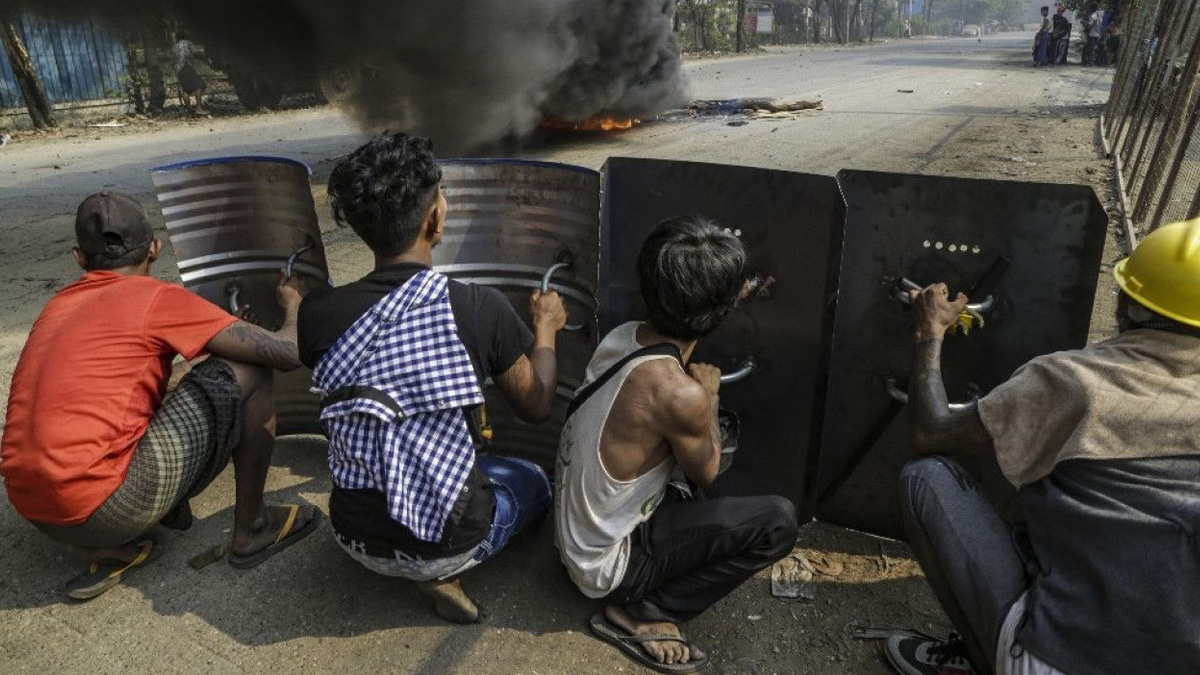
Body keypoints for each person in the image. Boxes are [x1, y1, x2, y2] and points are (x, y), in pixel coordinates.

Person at [882, 218, 1200, 675]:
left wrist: (928, 335)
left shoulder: (1076, 381)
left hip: (1056, 661)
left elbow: (930, 431)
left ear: (1126, 303)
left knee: (925, 478)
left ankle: (978, 661)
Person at [297, 132, 567, 624]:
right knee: (530, 478)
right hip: (448, 546)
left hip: (353, 536)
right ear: (435, 219)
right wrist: (545, 328)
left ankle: (425, 562)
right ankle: (442, 574)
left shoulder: (316, 313)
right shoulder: (476, 307)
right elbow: (537, 406)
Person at [1, 192, 320, 601]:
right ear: (154, 248)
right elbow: (287, 353)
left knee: (180, 385)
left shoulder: (57, 307)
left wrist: (214, 345)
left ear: (79, 258)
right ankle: (253, 527)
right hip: (105, 506)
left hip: (37, 511)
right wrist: (293, 303)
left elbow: (139, 383)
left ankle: (109, 547)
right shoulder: (157, 298)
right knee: (251, 371)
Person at [555, 216, 800, 674]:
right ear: (720, 312)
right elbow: (706, 470)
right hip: (606, 568)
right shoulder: (678, 393)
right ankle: (646, 612)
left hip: (578, 534)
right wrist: (708, 396)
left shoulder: (623, 336)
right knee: (778, 522)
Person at [170, 31, 206, 113]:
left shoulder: (174, 47)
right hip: (188, 67)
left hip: (179, 70)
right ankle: (199, 107)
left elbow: (172, 62)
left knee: (185, 89)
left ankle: (189, 109)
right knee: (199, 85)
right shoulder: (188, 43)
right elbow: (196, 52)